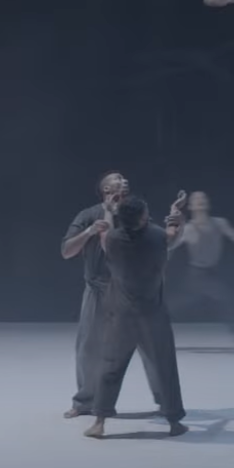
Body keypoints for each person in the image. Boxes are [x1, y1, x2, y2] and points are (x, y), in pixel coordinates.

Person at [84, 195, 189, 439]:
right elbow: (174, 235)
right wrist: (177, 214)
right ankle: (174, 422)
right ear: (143, 218)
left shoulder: (113, 239)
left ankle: (99, 422)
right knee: (164, 366)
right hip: (152, 314)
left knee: (110, 365)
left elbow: (104, 234)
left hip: (121, 314)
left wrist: (109, 209)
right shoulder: (157, 237)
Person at [59, 171, 161, 419]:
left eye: (125, 178)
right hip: (98, 289)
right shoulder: (88, 214)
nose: (124, 179)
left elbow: (157, 241)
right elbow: (66, 251)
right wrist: (89, 232)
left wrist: (175, 225)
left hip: (131, 290)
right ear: (106, 189)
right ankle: (85, 401)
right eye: (117, 178)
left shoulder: (136, 214)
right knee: (88, 349)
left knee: (151, 348)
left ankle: (166, 401)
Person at [169, 191, 234, 347]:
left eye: (203, 198)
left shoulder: (219, 223)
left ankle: (153, 320)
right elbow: (170, 245)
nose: (200, 200)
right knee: (227, 298)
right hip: (197, 275)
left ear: (208, 203)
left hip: (211, 272)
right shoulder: (188, 229)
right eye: (196, 199)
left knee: (178, 304)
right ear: (191, 206)